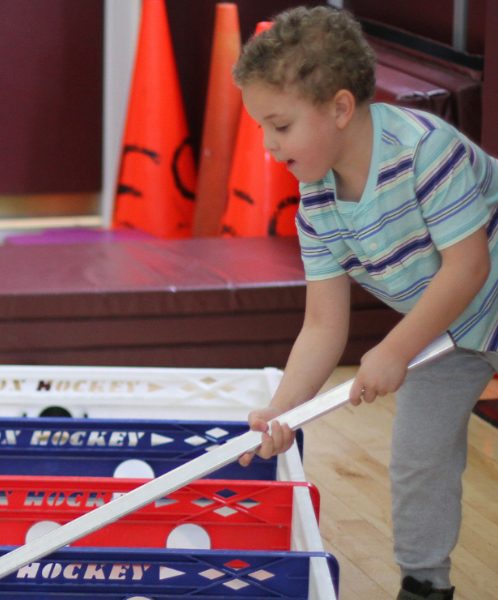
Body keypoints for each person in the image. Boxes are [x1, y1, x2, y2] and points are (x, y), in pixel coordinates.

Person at [232, 6, 498, 600]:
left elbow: (470, 266)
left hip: (459, 306)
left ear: (340, 107)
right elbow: (324, 324)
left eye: (279, 125)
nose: (270, 146)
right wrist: (282, 412)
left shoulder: (426, 152)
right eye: (260, 128)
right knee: (416, 459)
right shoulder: (316, 205)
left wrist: (396, 348)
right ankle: (426, 585)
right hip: (447, 331)